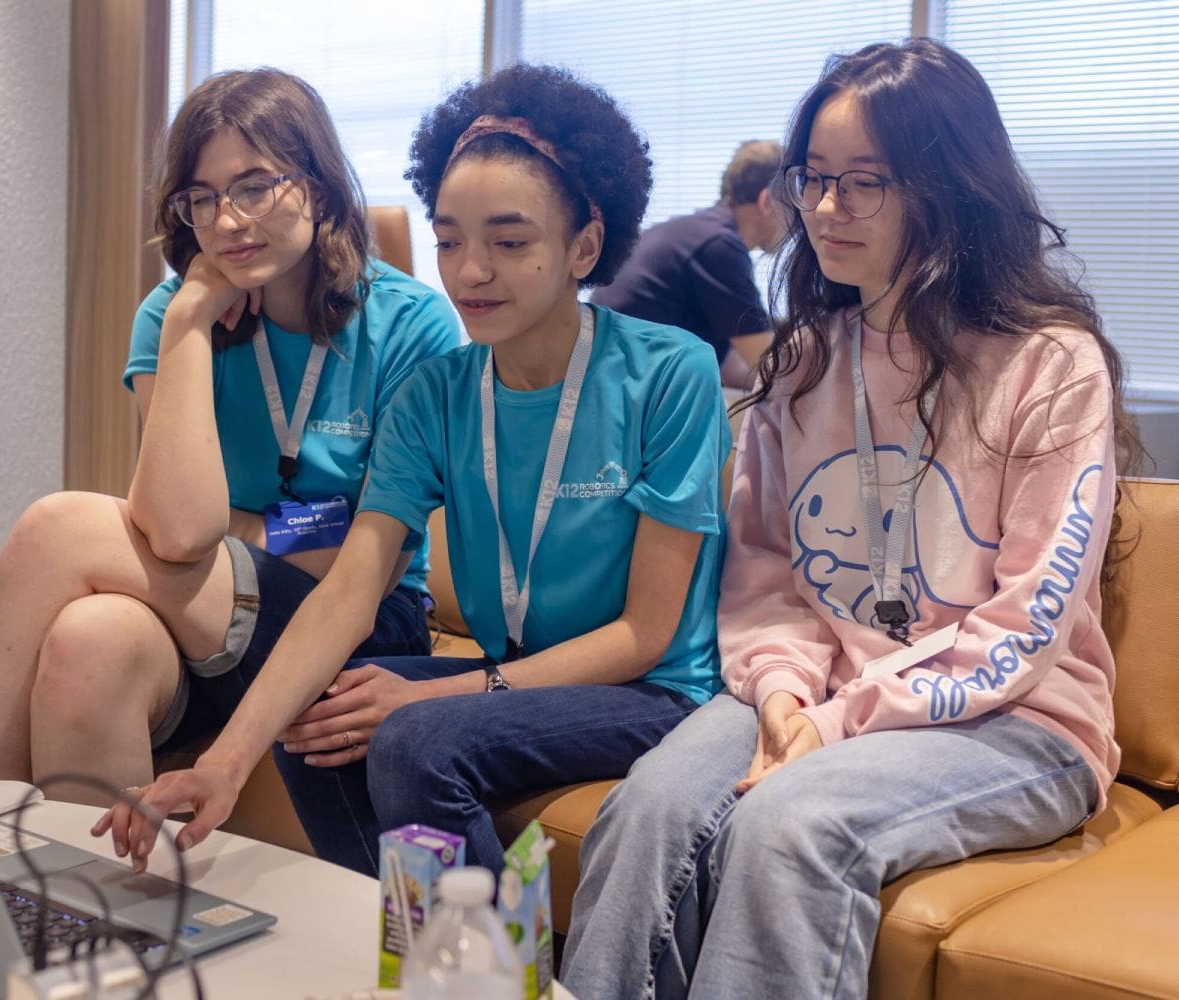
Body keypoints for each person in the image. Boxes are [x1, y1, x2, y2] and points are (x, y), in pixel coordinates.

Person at [563, 38, 1139, 1000]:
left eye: (865, 183)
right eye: (815, 180)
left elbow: (1027, 624)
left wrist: (835, 726)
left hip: (1019, 718)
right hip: (818, 690)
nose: (826, 210)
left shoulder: (1050, 364)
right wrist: (786, 696)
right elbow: (766, 579)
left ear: (948, 187)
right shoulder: (805, 361)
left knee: (792, 828)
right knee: (649, 808)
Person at [94, 64, 731, 877]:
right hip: (502, 670)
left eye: (508, 242)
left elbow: (645, 635)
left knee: (412, 738)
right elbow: (346, 588)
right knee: (324, 710)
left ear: (585, 245)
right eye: (451, 241)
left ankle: (491, 970)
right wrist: (223, 762)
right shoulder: (439, 394)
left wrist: (437, 692)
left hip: (649, 688)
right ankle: (405, 944)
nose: (470, 271)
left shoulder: (668, 370)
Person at [0, 68, 460, 803]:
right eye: (202, 198)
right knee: (88, 639)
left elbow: (362, 558)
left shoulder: (412, 326)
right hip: (209, 613)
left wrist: (246, 526)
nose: (227, 221)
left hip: (359, 631)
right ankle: (102, 913)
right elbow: (179, 524)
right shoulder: (172, 315)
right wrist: (191, 319)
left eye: (255, 185)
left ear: (317, 188)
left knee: (53, 531)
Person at [591, 139, 786, 389]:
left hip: (611, 379)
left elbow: (732, 368)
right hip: (622, 390)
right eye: (792, 208)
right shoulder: (720, 246)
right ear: (767, 202)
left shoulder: (691, 233)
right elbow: (772, 369)